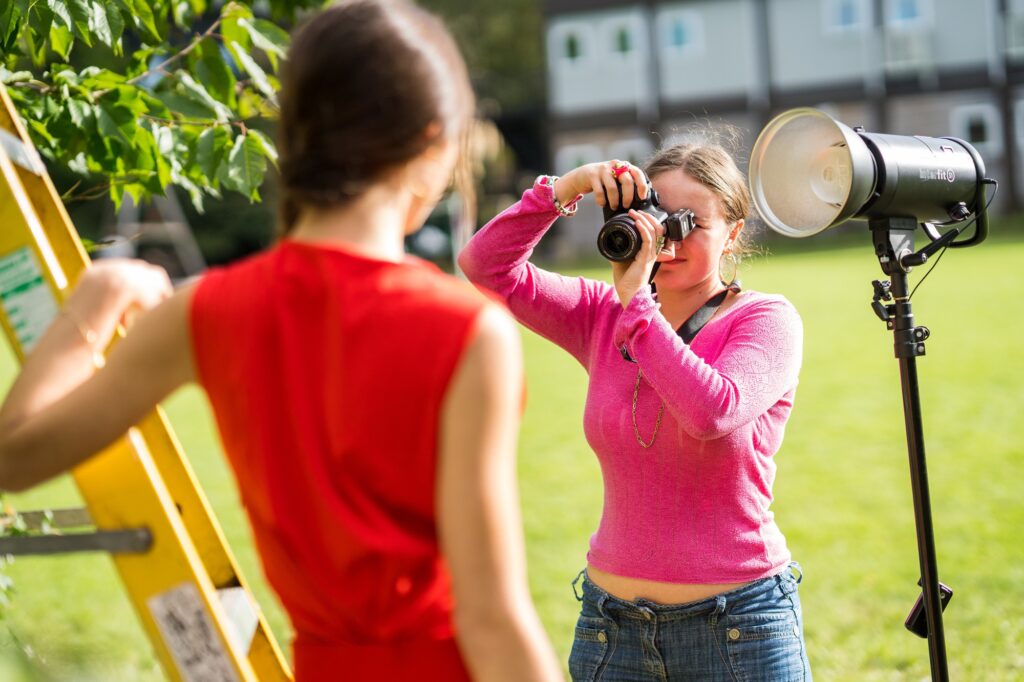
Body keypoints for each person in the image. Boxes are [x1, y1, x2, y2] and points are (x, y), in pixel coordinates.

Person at [0, 1, 564, 680]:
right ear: (433, 142)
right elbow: (491, 618)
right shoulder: (469, 332)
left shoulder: (201, 313)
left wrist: (92, 308)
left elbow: (12, 460)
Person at [458, 143, 812, 681]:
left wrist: (636, 303)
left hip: (738, 628)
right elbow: (485, 267)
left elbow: (712, 411)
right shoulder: (603, 314)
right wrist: (563, 190)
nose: (666, 240)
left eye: (688, 223)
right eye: (654, 218)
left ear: (734, 233)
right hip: (612, 629)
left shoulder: (765, 320)